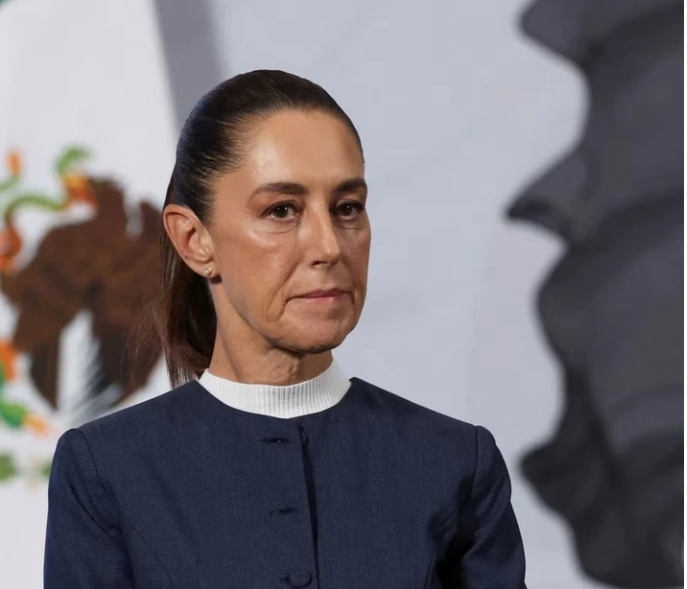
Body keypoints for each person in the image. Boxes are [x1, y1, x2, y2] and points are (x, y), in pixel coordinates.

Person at [43, 69, 527, 588]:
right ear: (194, 240)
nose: (328, 246)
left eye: (347, 208)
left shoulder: (455, 462)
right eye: (281, 210)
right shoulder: (106, 472)